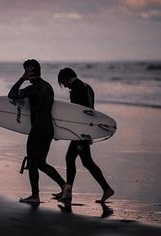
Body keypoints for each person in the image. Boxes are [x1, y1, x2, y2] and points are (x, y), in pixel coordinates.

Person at [8, 59, 68, 203]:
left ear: (29, 71)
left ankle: (35, 195)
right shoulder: (48, 87)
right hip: (49, 129)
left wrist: (22, 79)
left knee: (33, 162)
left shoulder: (32, 88)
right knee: (41, 162)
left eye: (25, 71)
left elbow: (12, 95)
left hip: (38, 130)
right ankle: (65, 186)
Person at [54, 67, 114, 204]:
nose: (64, 86)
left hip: (81, 132)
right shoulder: (87, 87)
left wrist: (62, 132)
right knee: (74, 159)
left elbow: (76, 115)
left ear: (66, 78)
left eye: (63, 82)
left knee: (85, 161)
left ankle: (106, 189)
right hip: (85, 130)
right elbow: (90, 111)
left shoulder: (76, 90)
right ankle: (67, 190)